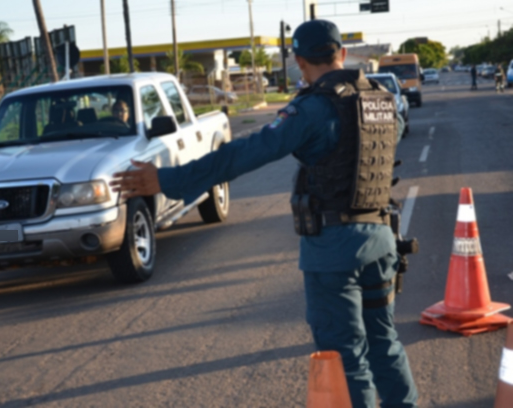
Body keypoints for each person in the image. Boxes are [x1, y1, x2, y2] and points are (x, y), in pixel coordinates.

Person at [110, 19, 417, 408]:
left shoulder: (312, 109)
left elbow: (243, 154)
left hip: (335, 249)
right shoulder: (381, 99)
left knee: (344, 357)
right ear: (341, 53)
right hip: (382, 240)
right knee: (384, 342)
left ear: (299, 61)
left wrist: (167, 179)